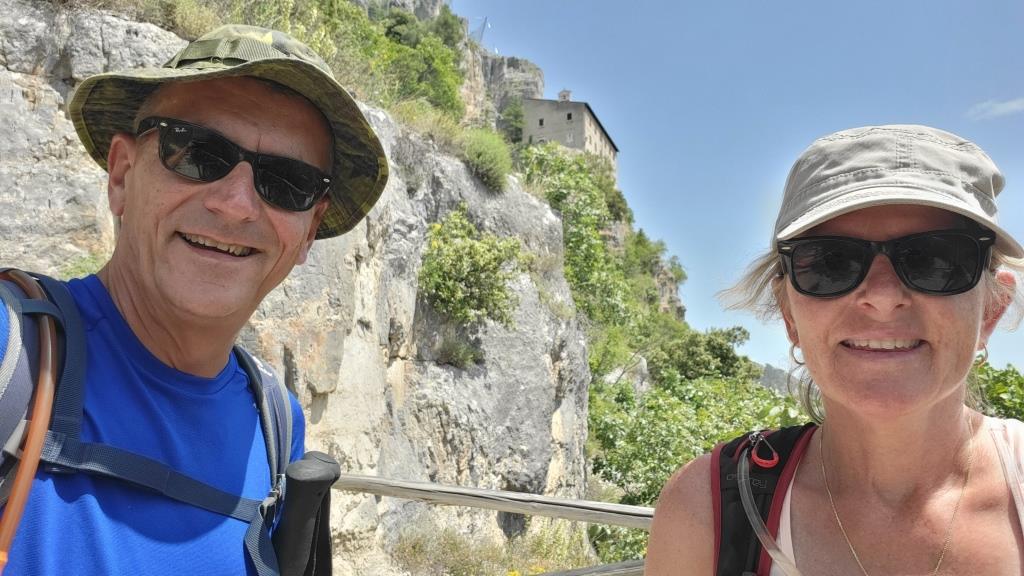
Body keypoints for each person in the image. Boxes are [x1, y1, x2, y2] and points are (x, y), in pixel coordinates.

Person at [0, 24, 387, 575]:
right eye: (197, 153)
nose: (236, 204)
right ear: (122, 174)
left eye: (288, 182)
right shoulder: (12, 356)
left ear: (308, 231)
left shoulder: (277, 426)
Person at [646, 125, 1024, 575]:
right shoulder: (705, 511)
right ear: (789, 314)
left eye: (935, 260)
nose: (882, 297)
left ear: (991, 309)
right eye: (832, 262)